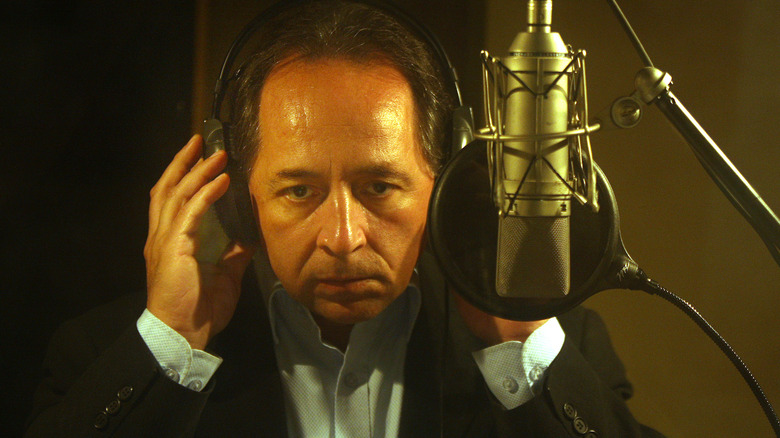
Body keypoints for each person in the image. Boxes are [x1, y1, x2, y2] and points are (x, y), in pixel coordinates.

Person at [26, 1, 662, 436]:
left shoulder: (563, 349)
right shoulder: (100, 356)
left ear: (448, 187)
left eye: (381, 187)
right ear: (237, 195)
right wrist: (168, 345)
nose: (343, 238)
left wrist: (521, 349)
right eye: (299, 191)